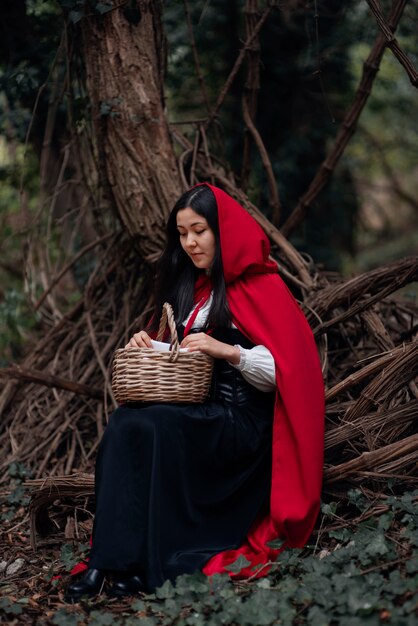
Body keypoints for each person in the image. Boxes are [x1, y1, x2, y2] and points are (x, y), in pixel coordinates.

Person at [65, 183, 324, 602]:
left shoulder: (264, 287)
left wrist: (230, 351)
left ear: (223, 230)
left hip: (243, 427)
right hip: (198, 415)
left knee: (158, 424)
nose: (190, 243)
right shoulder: (193, 291)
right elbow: (186, 360)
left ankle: (145, 566)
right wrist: (153, 344)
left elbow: (290, 375)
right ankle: (108, 562)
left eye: (199, 230)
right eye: (183, 233)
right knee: (126, 422)